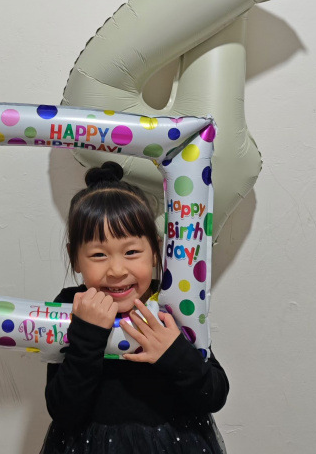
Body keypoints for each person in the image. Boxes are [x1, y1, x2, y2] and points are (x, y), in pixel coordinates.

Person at [41, 161, 229, 454]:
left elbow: (214, 394)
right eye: (99, 254)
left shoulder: (172, 303)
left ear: (155, 251)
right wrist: (87, 338)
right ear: (75, 258)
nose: (117, 270)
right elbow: (63, 410)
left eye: (131, 252)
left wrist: (174, 353)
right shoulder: (72, 306)